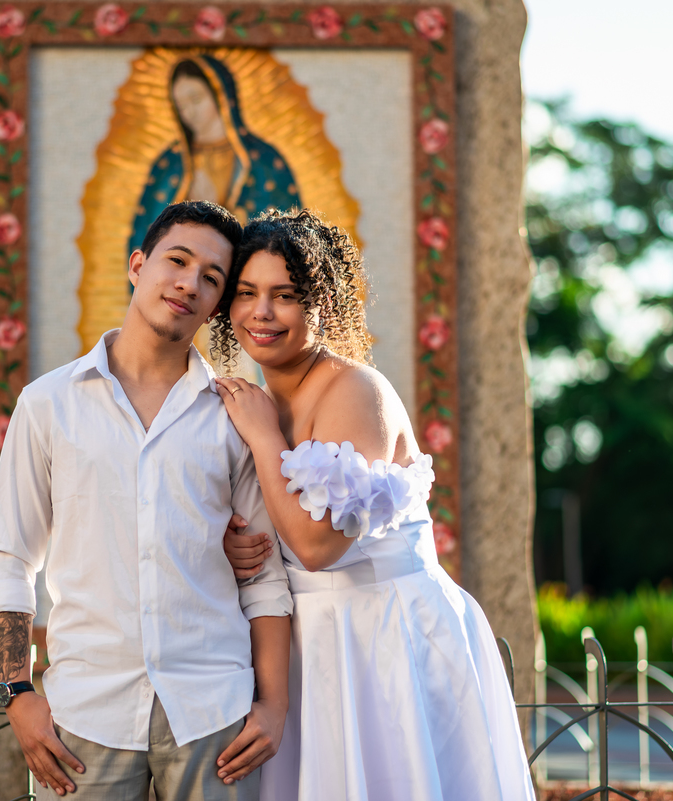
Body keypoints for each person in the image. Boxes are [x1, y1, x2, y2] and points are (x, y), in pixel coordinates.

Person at [210, 208, 537, 801]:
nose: (261, 312)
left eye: (284, 295)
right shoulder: (250, 400)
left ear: (322, 302)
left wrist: (263, 437)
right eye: (247, 293)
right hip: (300, 648)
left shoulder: (354, 390)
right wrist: (236, 544)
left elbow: (315, 546)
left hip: (385, 642)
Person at [0, 200, 293, 800]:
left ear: (219, 303)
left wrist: (272, 706)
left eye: (211, 278)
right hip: (85, 716)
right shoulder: (48, 405)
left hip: (213, 715)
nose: (189, 284)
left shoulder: (236, 416)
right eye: (177, 261)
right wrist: (17, 694)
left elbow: (265, 577)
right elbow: (8, 561)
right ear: (137, 264)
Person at [127, 54, 300, 261]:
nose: (190, 112)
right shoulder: (170, 165)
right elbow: (146, 238)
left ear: (220, 95)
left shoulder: (262, 161)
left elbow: (288, 238)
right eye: (181, 106)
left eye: (196, 99)